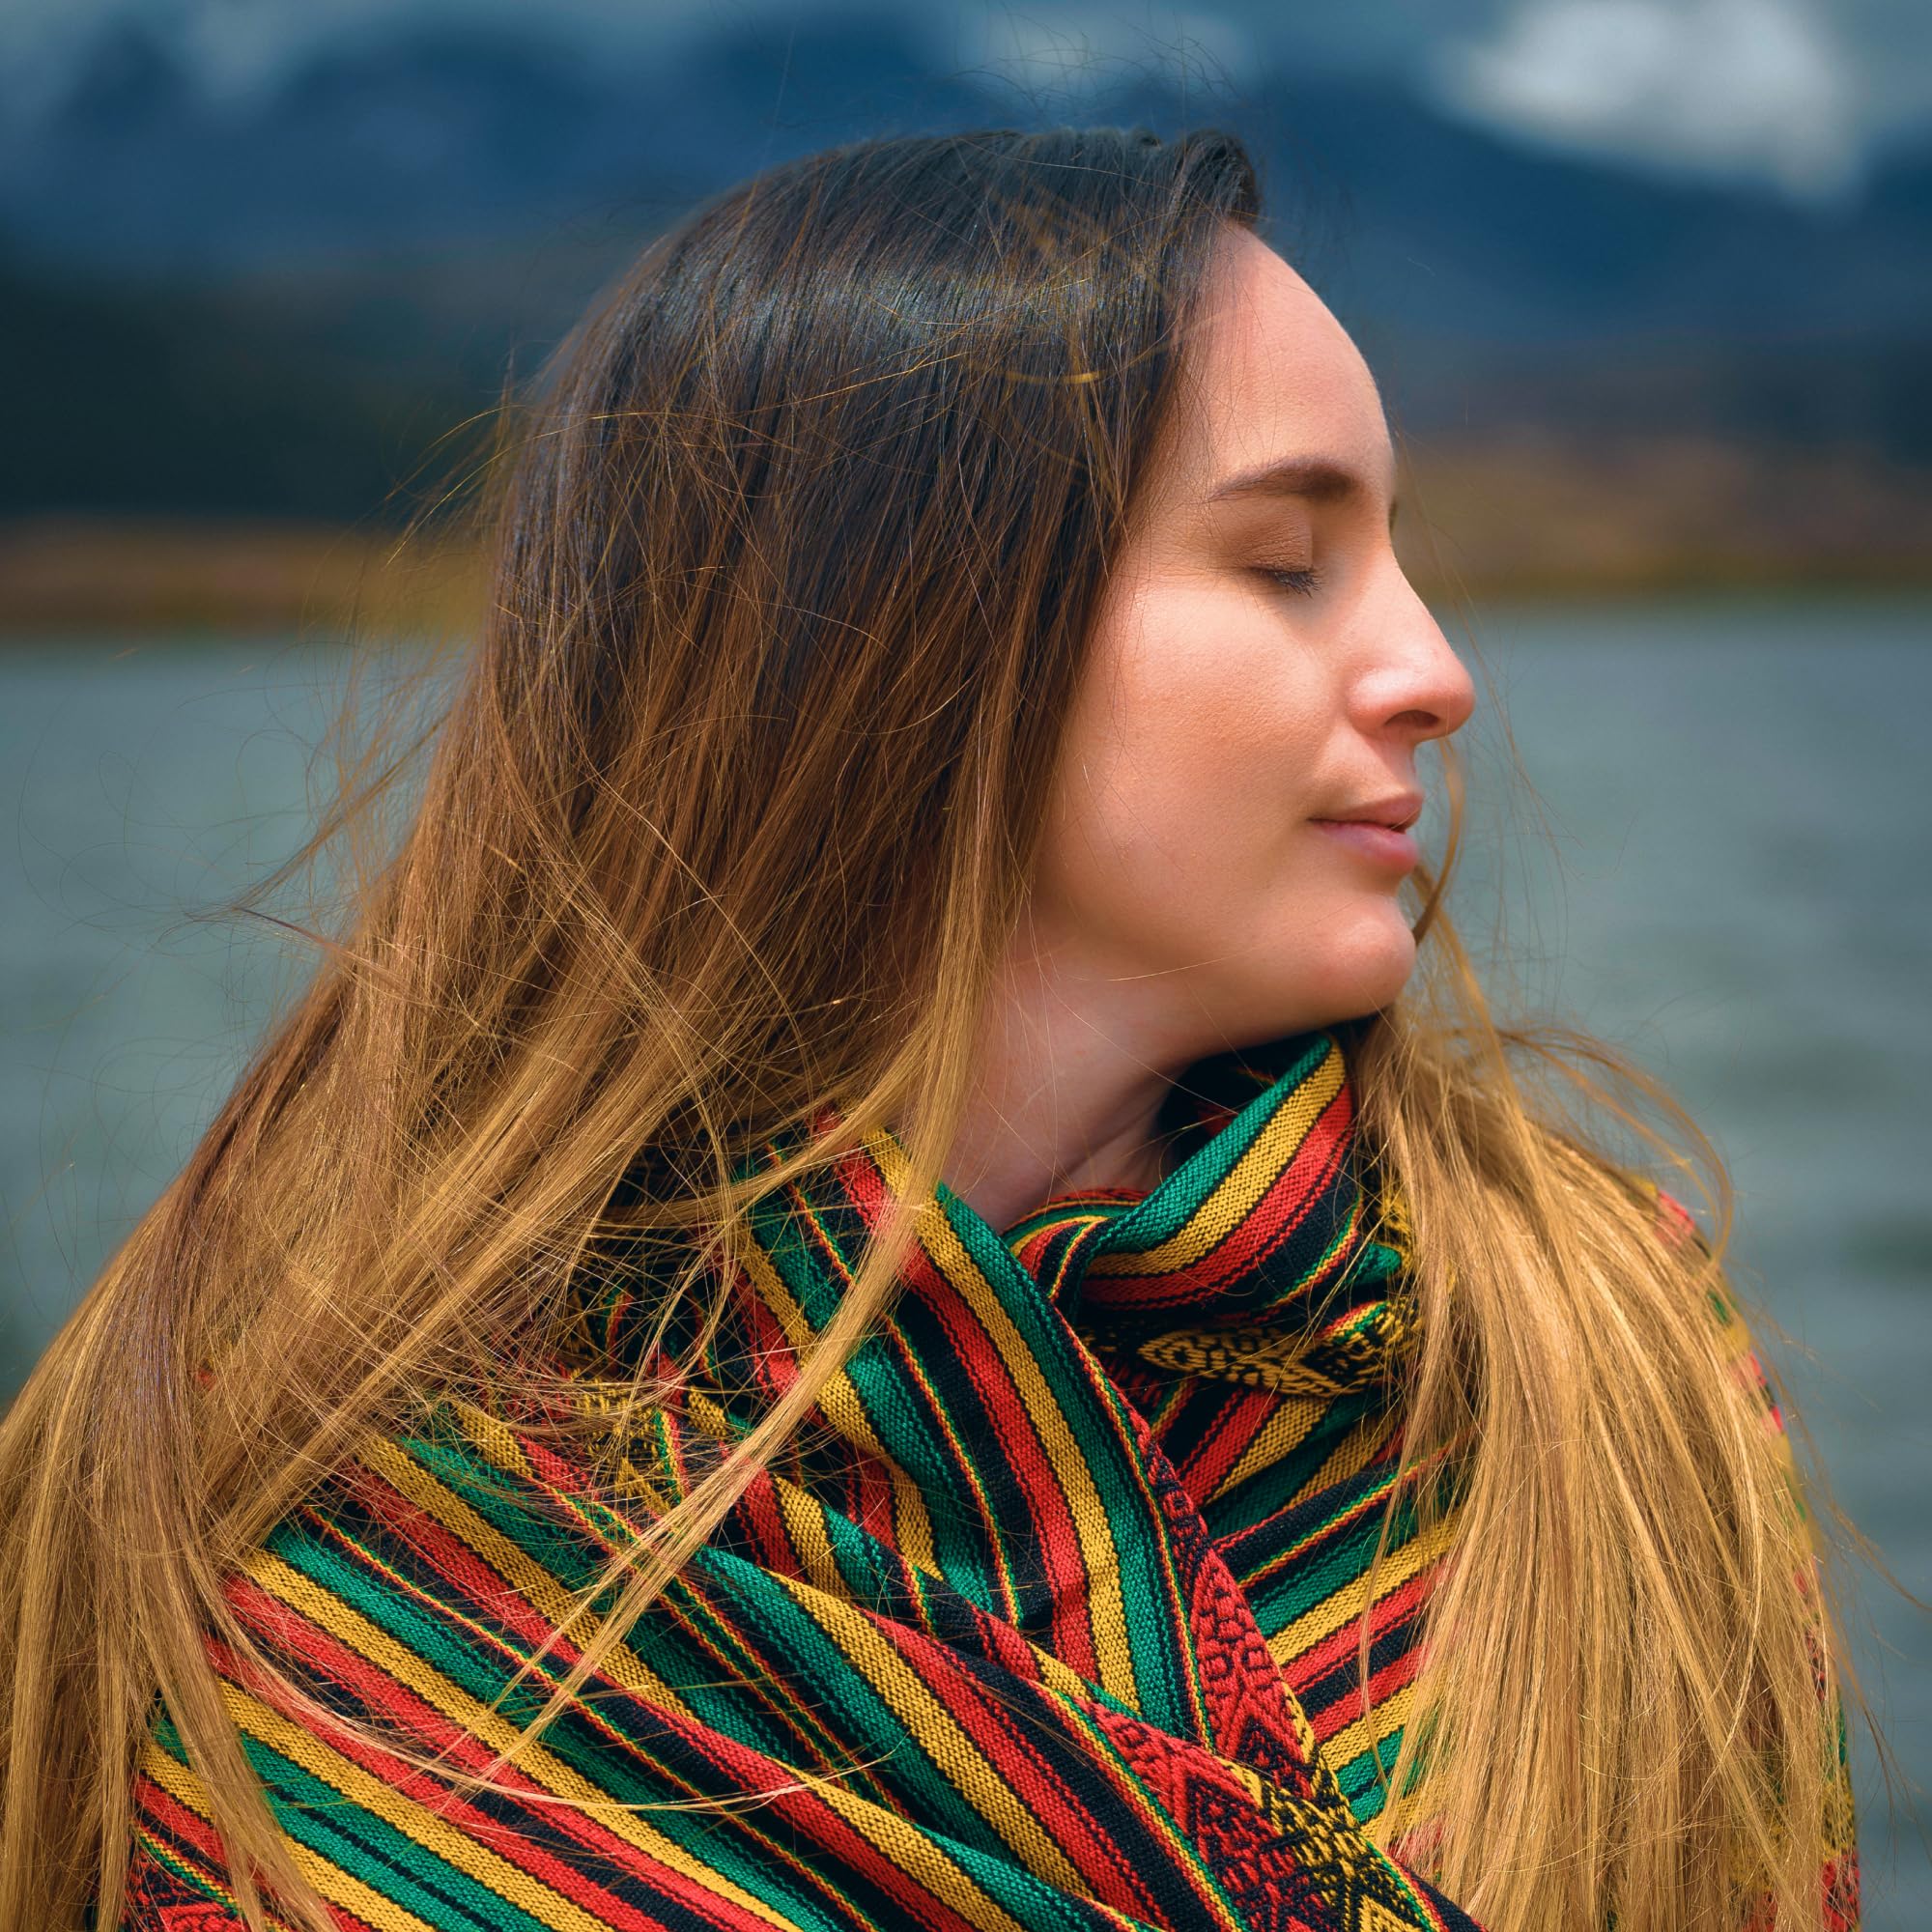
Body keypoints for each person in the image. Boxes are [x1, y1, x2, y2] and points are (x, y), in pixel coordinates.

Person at [0, 126, 1860, 1932]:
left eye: (1397, 559)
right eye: (1288, 561)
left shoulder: (1596, 1351)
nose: (1436, 672)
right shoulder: (275, 1500)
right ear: (895, 635)